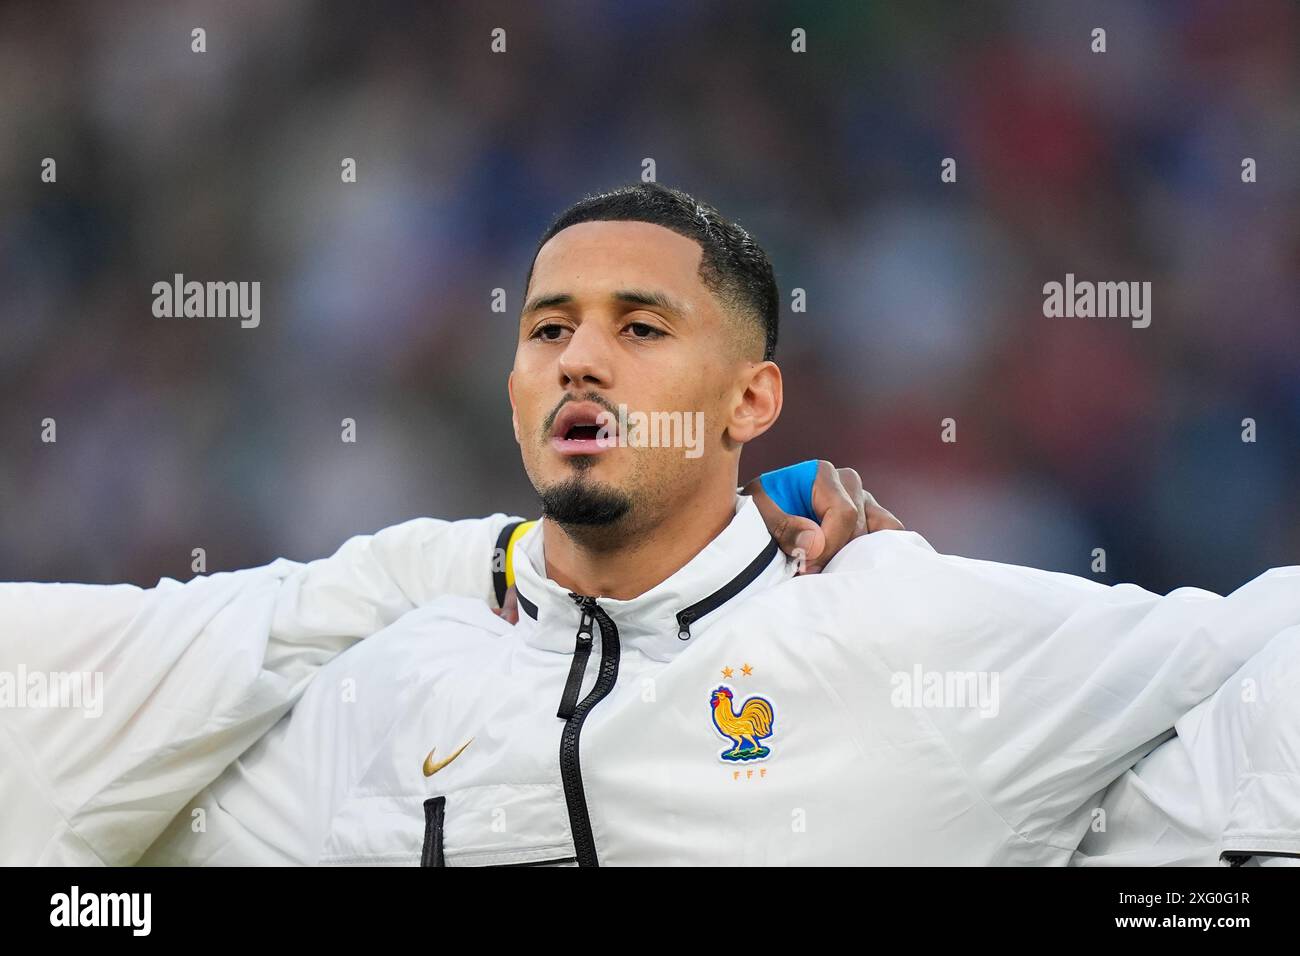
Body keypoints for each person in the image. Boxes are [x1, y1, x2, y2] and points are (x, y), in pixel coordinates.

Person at [5, 182, 1299, 866]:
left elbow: (1251, 661)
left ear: (753, 400)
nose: (580, 361)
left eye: (640, 328)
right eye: (548, 329)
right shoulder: (403, 677)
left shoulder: (898, 627)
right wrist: (470, 559)